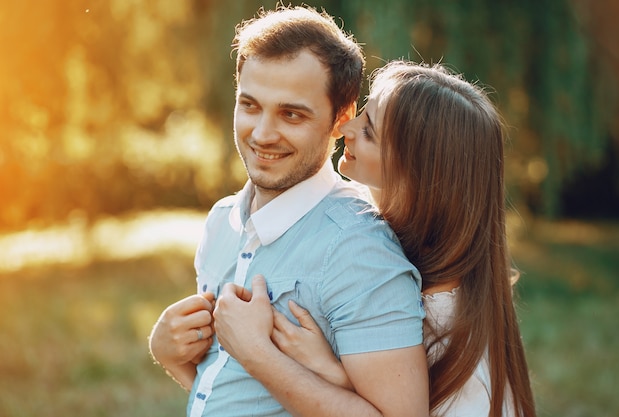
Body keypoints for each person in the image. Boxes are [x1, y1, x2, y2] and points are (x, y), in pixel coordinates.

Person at [149, 5, 429, 417]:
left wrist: (258, 355)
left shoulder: (360, 250)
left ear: (341, 119)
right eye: (249, 106)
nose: (262, 134)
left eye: (291, 113)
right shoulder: (221, 221)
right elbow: (236, 392)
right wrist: (169, 354)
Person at [263, 60, 537, 416]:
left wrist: (333, 373)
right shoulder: (363, 234)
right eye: (363, 113)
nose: (346, 125)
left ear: (416, 173)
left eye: (370, 131)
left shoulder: (442, 330)